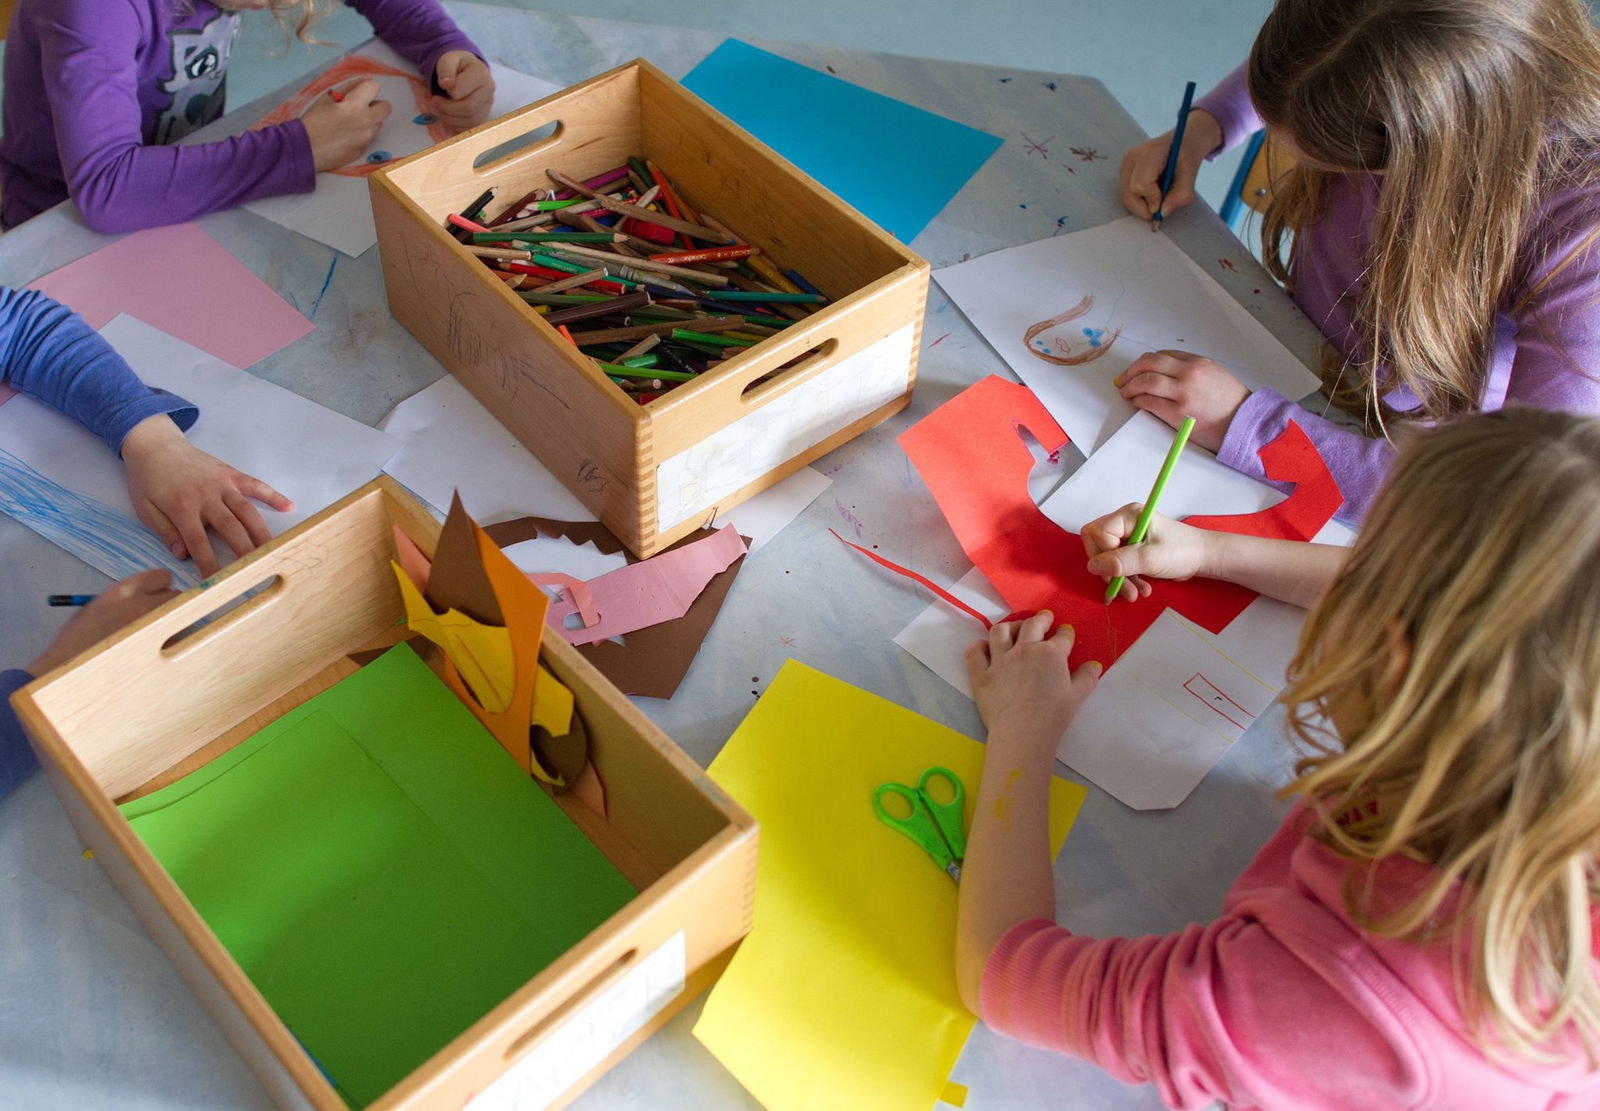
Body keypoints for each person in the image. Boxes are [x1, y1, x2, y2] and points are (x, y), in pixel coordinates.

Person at [955, 406, 1600, 1108]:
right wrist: (1212, 554)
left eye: (1367, 569)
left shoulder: (1332, 1001)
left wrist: (1023, 729)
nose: (1346, 574)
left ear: (1390, 657)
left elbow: (1002, 971)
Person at [1115, 0, 1600, 522]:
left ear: (1428, 140)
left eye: (1330, 153)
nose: (1283, 149)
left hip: (1402, 452)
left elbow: (1513, 493)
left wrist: (1248, 428)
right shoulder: (1373, 51)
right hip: (1290, 347)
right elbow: (1324, 61)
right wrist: (1206, 126)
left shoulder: (1581, 232)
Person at [0, 0, 495, 232]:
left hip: (189, 179)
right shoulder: (90, 8)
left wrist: (444, 48)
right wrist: (301, 148)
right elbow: (107, 190)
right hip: (50, 223)